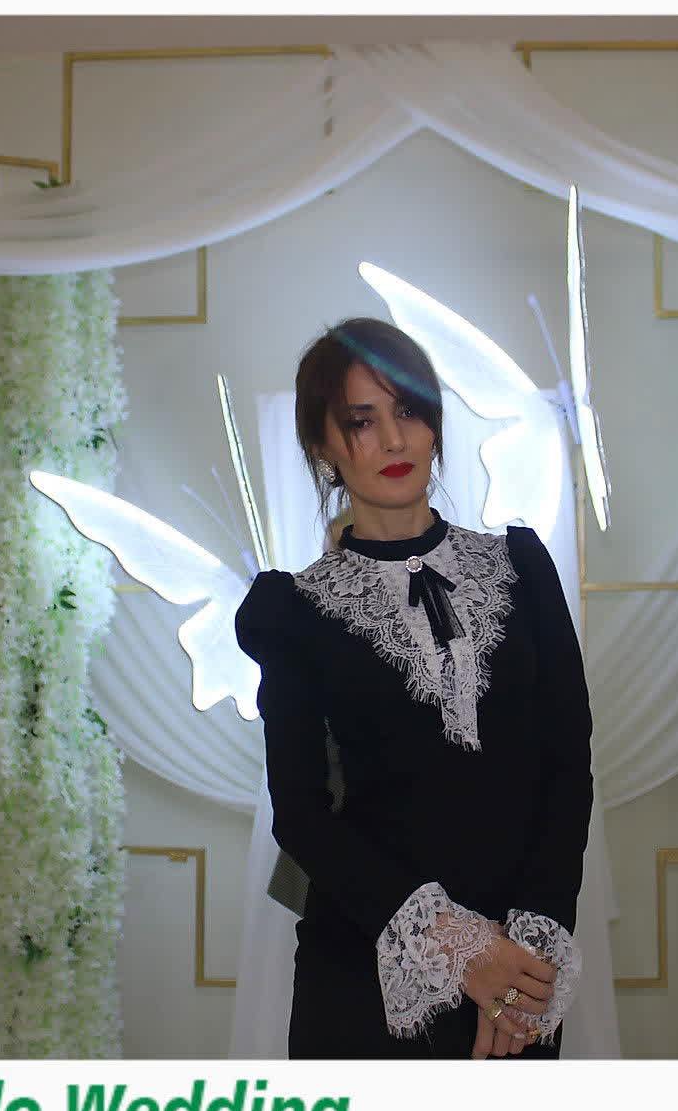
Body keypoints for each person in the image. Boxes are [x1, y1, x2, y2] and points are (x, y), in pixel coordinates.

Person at [234, 316, 594, 1060]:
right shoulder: (291, 608)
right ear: (323, 445)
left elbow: (568, 765)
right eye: (361, 422)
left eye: (409, 412)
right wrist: (460, 948)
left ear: (435, 424)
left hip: (516, 972)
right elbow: (300, 814)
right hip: (363, 971)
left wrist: (528, 953)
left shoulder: (522, 568)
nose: (395, 441)